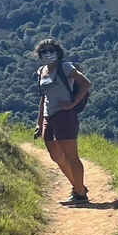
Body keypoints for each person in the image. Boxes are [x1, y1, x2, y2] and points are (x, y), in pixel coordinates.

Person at [34, 37, 92, 206]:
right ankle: (78, 187)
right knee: (56, 155)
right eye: (44, 51)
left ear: (58, 52)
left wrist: (73, 104)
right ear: (39, 54)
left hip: (64, 115)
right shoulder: (41, 72)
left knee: (71, 156)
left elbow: (86, 83)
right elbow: (43, 98)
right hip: (48, 116)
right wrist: (39, 122)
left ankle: (80, 194)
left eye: (51, 50)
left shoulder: (65, 67)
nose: (48, 54)